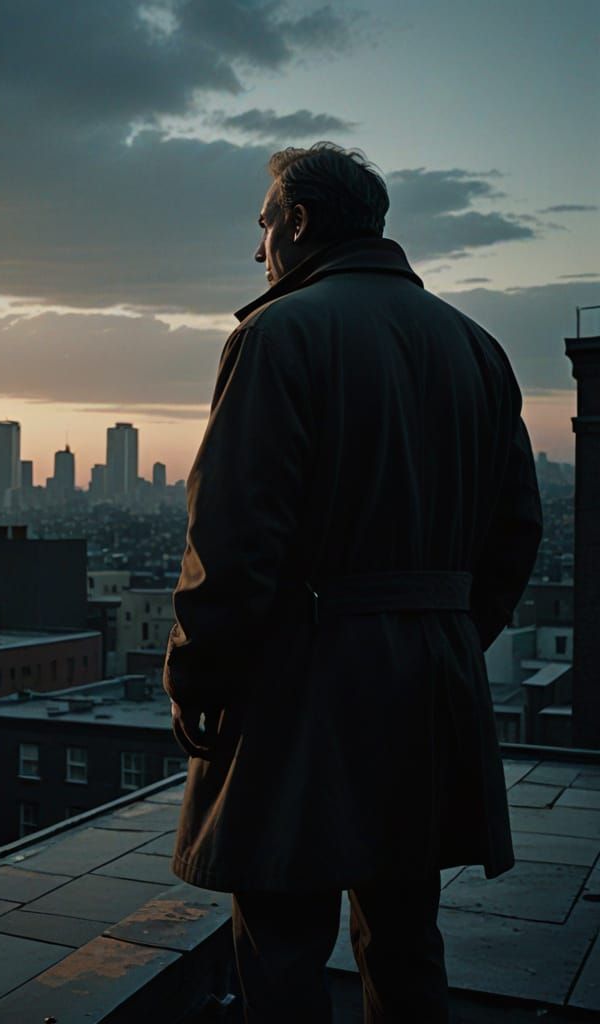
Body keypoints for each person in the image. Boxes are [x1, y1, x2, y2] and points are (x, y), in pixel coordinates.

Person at [163, 143, 542, 1022]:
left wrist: (197, 677)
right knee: (407, 936)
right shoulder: (477, 347)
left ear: (298, 224)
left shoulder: (276, 335)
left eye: (263, 226)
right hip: (431, 684)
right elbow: (517, 532)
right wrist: (440, 631)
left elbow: (232, 540)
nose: (256, 251)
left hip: (307, 683)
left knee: (281, 939)